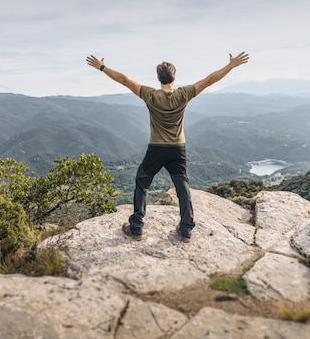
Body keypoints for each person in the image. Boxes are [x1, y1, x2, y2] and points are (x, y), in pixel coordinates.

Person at [86, 51, 250, 243]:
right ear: (174, 77)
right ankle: (186, 230)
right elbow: (209, 81)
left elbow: (124, 80)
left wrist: (102, 67)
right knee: (182, 187)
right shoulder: (183, 94)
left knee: (142, 182)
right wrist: (231, 65)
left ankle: (137, 228)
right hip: (177, 148)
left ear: (158, 78)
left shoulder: (150, 95)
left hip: (156, 148)